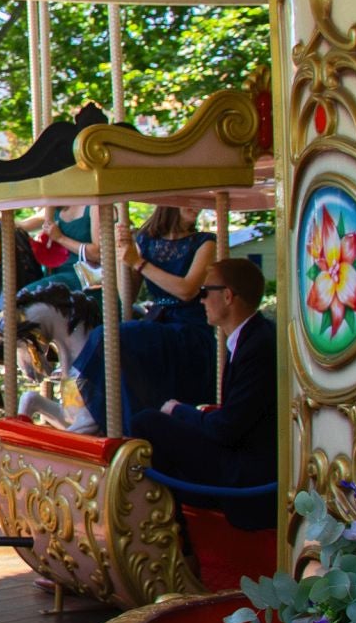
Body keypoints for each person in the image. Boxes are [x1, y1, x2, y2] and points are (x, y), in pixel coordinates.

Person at [129, 258, 274, 488]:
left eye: (205, 291)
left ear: (228, 296)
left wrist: (178, 411)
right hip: (241, 457)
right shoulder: (250, 339)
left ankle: (170, 518)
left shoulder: (257, 346)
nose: (201, 299)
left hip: (246, 473)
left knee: (146, 422)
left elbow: (227, 427)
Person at [74, 206, 219, 427]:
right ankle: (114, 419)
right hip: (160, 324)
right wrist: (122, 255)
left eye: (197, 202)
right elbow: (128, 296)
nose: (196, 207)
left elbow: (187, 290)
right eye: (187, 200)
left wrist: (139, 263)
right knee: (110, 338)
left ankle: (129, 426)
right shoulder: (146, 240)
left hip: (190, 329)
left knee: (114, 336)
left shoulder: (205, 242)